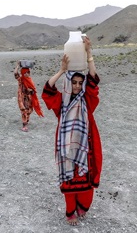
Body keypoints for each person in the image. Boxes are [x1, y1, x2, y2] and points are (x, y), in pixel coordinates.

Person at [41, 36, 102, 226]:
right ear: (69, 83)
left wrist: (89, 54)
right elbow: (47, 89)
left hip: (86, 147)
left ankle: (82, 206)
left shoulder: (87, 102)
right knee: (69, 180)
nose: (76, 86)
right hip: (67, 150)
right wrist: (62, 70)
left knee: (85, 181)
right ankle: (70, 212)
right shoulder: (62, 103)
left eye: (79, 83)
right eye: (73, 82)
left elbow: (93, 80)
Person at [14, 61, 44, 131]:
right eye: (26, 73)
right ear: (23, 73)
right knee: (24, 110)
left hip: (28, 98)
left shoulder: (30, 80)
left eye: (28, 72)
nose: (27, 74)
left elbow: (33, 90)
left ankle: (26, 121)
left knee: (29, 110)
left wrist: (31, 91)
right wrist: (18, 66)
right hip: (22, 98)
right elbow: (15, 73)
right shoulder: (21, 79)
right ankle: (24, 126)